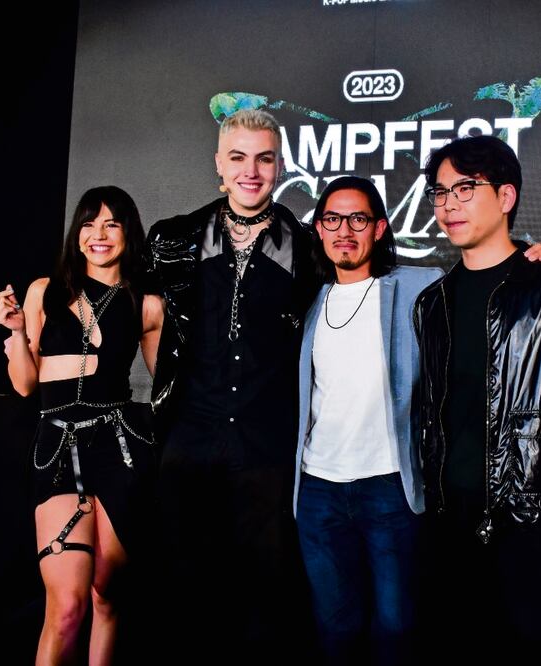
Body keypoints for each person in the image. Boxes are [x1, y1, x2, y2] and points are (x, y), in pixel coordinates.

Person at [414, 135, 541, 662]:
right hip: (449, 518)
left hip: (530, 521)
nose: (449, 204)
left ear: (506, 196)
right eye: (440, 192)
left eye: (465, 188)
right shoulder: (431, 303)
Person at [145, 109, 317, 655]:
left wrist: (525, 254)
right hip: (189, 443)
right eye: (238, 158)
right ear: (219, 164)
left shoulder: (307, 247)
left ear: (279, 166)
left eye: (264, 158)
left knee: (264, 600)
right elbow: (139, 316)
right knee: (187, 592)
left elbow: (376, 272)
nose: (251, 171)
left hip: (267, 447)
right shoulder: (172, 239)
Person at [0, 185, 164, 665]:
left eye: (111, 224)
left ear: (128, 232)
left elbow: (166, 386)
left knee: (107, 594)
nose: (99, 235)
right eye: (89, 224)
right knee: (66, 606)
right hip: (57, 448)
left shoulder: (147, 304)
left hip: (120, 449)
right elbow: (25, 384)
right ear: (76, 233)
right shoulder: (44, 292)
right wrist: (16, 332)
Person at [293, 176, 443, 665]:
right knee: (334, 627)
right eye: (333, 219)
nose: (344, 230)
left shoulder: (418, 286)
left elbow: (483, 271)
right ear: (319, 229)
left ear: (378, 228)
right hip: (318, 489)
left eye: (357, 219)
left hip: (389, 487)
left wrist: (534, 256)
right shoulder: (306, 302)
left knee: (396, 627)